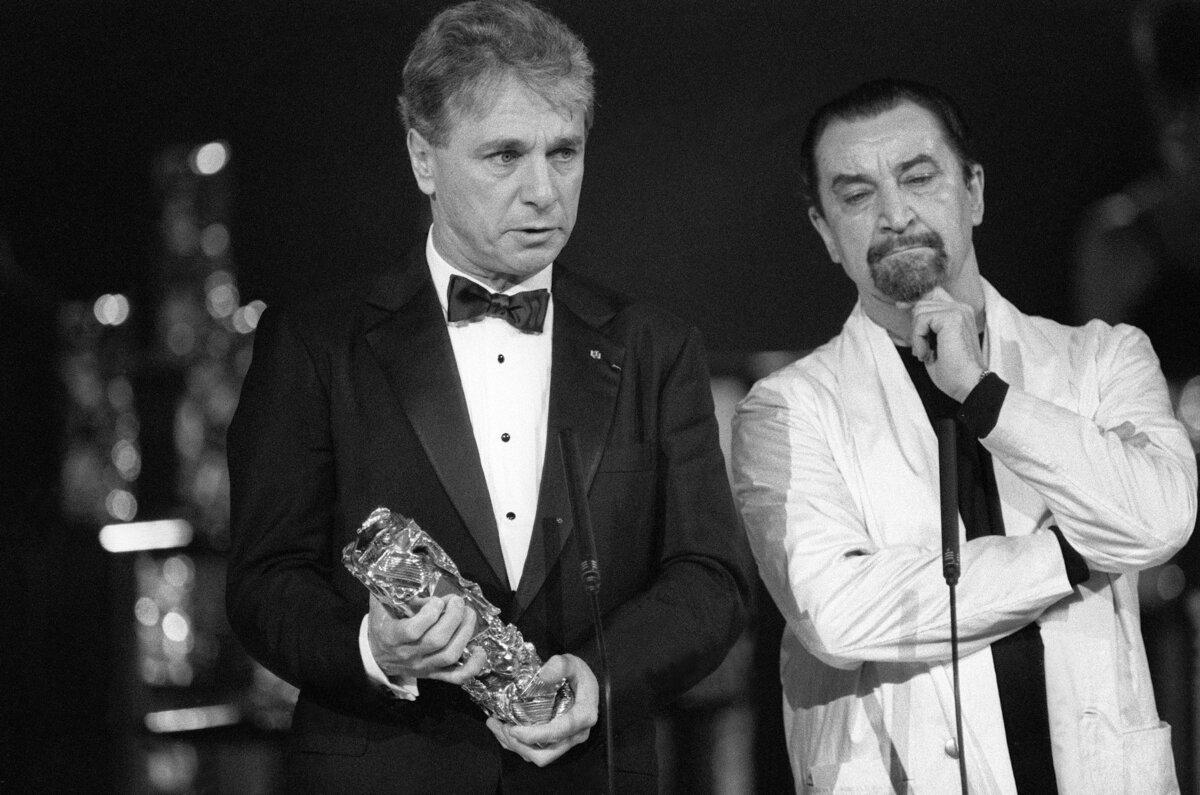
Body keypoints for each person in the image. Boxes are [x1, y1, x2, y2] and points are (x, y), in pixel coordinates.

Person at [225, 1, 748, 791]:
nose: (544, 189)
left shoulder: (654, 346)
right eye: (505, 156)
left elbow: (711, 577)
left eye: (564, 152)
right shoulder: (315, 341)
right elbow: (264, 579)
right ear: (423, 158)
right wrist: (372, 647)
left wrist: (601, 676)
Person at [732, 78, 1197, 793]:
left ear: (974, 191)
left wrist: (986, 398)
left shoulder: (1102, 357)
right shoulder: (786, 410)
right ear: (825, 232)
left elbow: (1161, 513)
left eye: (918, 178)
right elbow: (838, 612)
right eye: (856, 196)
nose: (893, 214)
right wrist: (1073, 554)